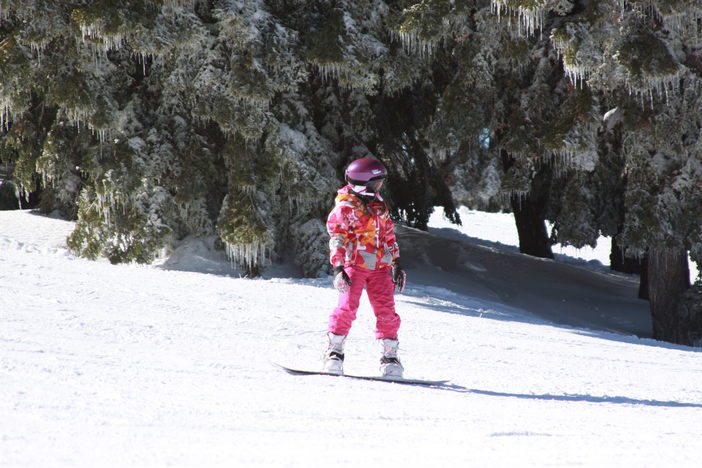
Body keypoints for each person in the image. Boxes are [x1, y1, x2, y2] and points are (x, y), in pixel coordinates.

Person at [324, 157, 407, 377]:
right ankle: (335, 352)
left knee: (387, 311)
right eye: (377, 182)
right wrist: (338, 267)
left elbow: (389, 235)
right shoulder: (345, 206)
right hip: (354, 266)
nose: (380, 186)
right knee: (347, 307)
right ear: (364, 182)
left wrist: (396, 262)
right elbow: (337, 237)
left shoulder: (378, 204)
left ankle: (390, 357)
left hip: (380, 268)